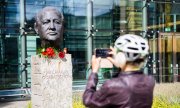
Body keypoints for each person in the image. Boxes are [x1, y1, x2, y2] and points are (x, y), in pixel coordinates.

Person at [83, 34, 155, 108]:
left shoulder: (112, 85)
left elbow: (87, 100)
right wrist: (120, 64)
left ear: (121, 57)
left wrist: (94, 71)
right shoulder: (149, 81)